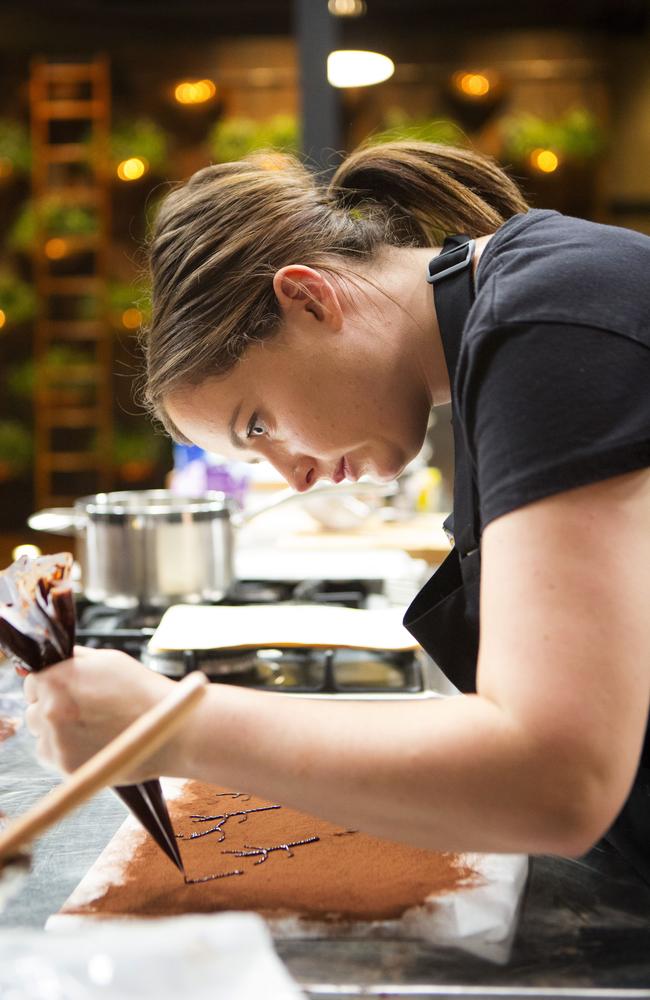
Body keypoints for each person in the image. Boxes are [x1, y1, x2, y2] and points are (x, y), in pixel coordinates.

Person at [23, 142, 650, 879]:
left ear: (311, 298)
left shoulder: (548, 320)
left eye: (257, 425)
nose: (290, 477)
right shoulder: (510, 321)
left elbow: (556, 781)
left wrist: (170, 725)